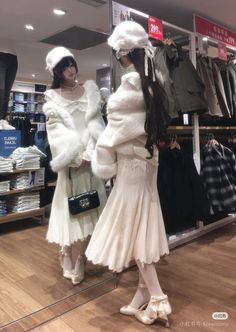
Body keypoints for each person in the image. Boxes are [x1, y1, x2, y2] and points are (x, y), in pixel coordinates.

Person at [85, 21, 172, 326]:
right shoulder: (152, 84)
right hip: (146, 164)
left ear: (124, 53)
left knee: (134, 231)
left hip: (130, 168)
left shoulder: (128, 88)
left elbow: (114, 132)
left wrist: (100, 157)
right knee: (143, 225)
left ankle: (158, 298)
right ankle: (140, 298)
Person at [43, 46, 106, 285]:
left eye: (71, 64)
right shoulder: (52, 97)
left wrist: (93, 153)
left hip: (92, 161)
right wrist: (76, 157)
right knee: (70, 212)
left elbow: (97, 125)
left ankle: (82, 259)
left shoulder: (89, 92)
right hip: (71, 165)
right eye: (63, 66)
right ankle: (66, 252)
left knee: (93, 210)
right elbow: (56, 133)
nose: (70, 69)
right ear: (56, 72)